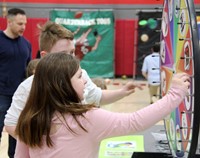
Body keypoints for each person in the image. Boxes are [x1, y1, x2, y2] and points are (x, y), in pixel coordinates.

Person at [14, 52, 190, 158]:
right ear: (63, 84)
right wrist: (174, 94)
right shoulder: (84, 119)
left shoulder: (29, 118)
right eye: (79, 76)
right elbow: (135, 122)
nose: (85, 81)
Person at [4, 21, 141, 139]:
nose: (71, 58)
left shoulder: (82, 75)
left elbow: (97, 96)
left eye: (72, 52)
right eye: (64, 54)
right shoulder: (28, 87)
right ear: (45, 56)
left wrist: (123, 91)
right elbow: (11, 124)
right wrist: (39, 143)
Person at [0, 8, 31, 158]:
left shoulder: (26, 44)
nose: (23, 27)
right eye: (19, 23)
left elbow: (28, 70)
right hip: (1, 95)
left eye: (24, 23)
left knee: (17, 134)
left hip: (18, 98)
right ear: (9, 21)